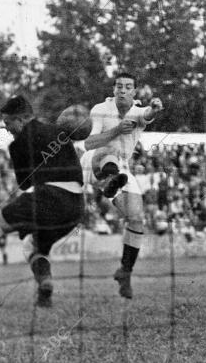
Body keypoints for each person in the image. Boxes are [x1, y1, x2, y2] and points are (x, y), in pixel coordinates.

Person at [0, 95, 86, 307]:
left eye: (7, 123)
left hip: (48, 197)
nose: (7, 129)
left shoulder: (17, 145)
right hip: (76, 206)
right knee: (32, 246)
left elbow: (25, 185)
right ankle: (45, 285)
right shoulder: (59, 132)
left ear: (20, 120)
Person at [80, 72, 163, 299]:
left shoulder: (137, 112)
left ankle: (125, 271)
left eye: (128, 87)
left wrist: (155, 108)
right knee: (111, 151)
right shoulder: (100, 109)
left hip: (122, 169)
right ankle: (109, 181)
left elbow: (147, 114)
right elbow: (88, 143)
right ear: (114, 90)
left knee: (136, 218)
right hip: (94, 162)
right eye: (119, 87)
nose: (123, 91)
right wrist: (117, 130)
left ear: (134, 92)